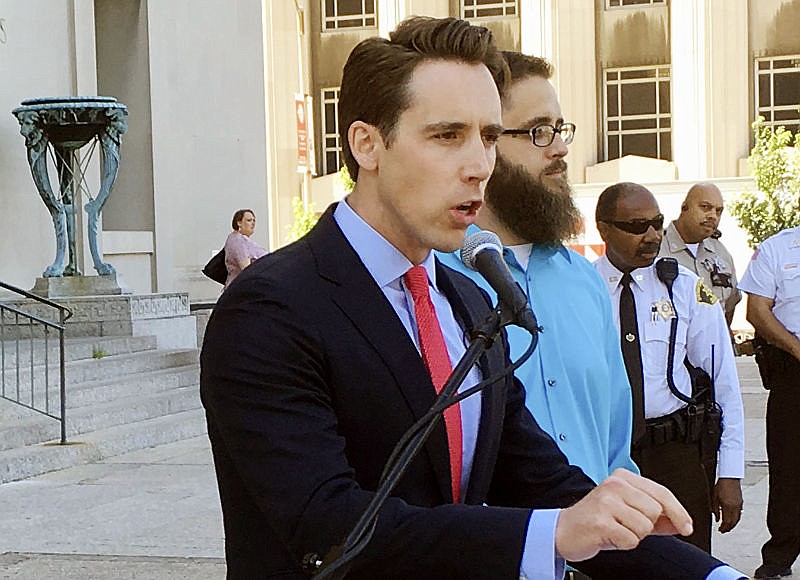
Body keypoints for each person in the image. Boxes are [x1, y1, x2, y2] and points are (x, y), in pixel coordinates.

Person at [201, 17, 745, 580]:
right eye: (447, 136)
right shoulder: (270, 307)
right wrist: (553, 533)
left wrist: (709, 575)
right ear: (367, 144)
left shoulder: (466, 298)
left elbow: (547, 483)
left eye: (488, 136)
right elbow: (327, 525)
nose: (479, 166)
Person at [438, 51, 637, 486]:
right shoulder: (433, 283)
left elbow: (615, 447)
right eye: (538, 132)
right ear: (484, 143)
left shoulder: (584, 281)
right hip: (491, 548)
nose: (561, 148)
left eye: (560, 130)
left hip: (594, 549)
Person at [594, 182, 745, 554]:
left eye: (657, 223)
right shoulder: (583, 287)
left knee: (688, 561)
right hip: (604, 455)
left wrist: (730, 472)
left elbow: (723, 379)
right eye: (636, 226)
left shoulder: (683, 288)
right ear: (604, 229)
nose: (652, 236)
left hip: (674, 453)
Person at [738, 225, 800, 579]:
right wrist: (795, 348)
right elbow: (757, 311)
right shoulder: (777, 249)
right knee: (789, 468)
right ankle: (779, 556)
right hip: (793, 371)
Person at [658, 183, 741, 327]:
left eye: (718, 211)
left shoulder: (721, 254)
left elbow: (729, 307)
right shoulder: (657, 249)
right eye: (705, 207)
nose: (713, 216)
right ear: (685, 207)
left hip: (712, 347)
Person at [223, 208, 267, 286]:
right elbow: (246, 269)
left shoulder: (240, 239)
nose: (253, 223)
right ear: (239, 223)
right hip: (243, 288)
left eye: (254, 220)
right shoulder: (238, 241)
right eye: (249, 220)